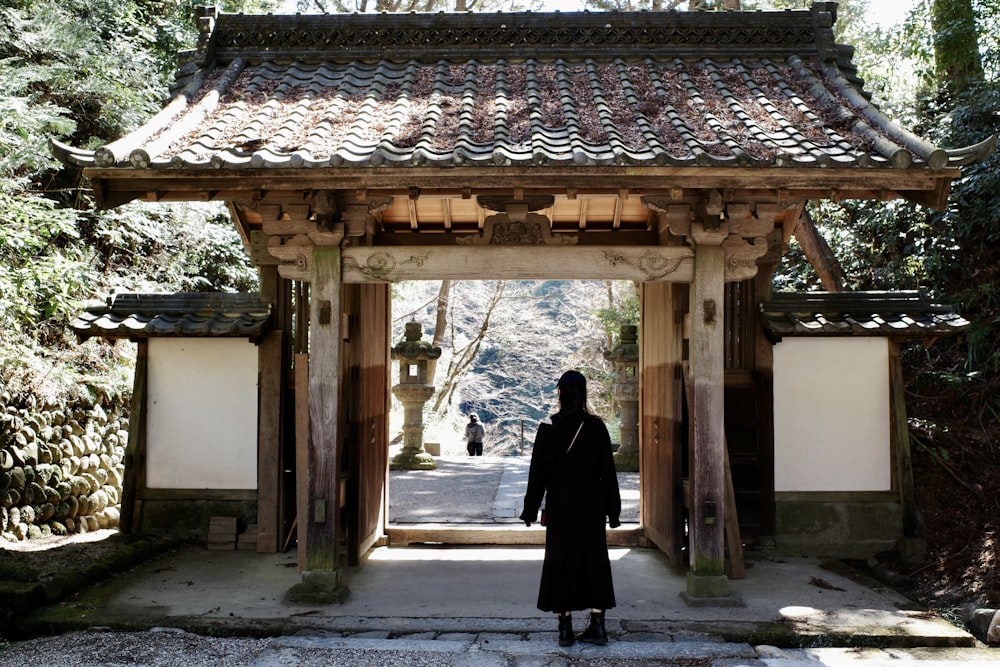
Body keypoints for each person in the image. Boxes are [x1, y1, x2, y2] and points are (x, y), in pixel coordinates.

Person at [519, 370, 621, 647]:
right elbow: (607, 474)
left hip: (561, 505)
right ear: (584, 393)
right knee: (595, 561)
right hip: (592, 504)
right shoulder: (597, 427)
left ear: (560, 393)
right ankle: (598, 626)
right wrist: (614, 512)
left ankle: (565, 628)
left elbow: (537, 474)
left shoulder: (549, 428)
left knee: (561, 562)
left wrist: (530, 510)